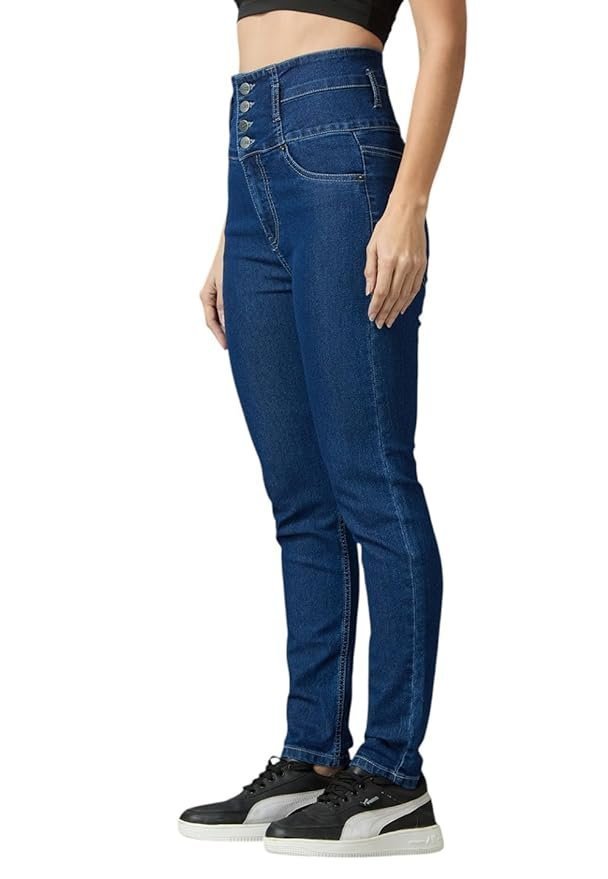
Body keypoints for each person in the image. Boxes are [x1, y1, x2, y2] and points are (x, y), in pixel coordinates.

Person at [179, 0, 466, 857]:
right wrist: (234, 234)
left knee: (371, 479)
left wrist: (407, 204)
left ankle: (394, 775)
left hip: (342, 149)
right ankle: (311, 754)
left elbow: (445, 38)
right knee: (300, 500)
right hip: (251, 163)